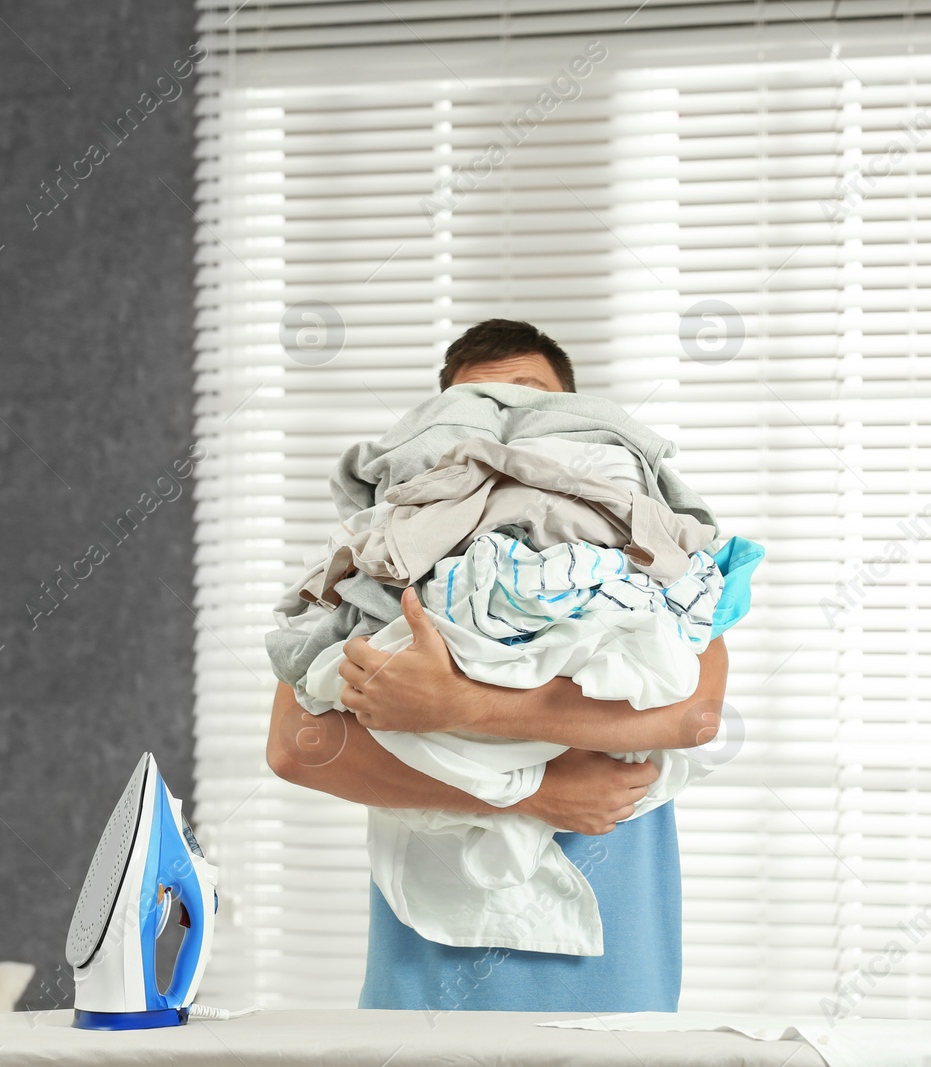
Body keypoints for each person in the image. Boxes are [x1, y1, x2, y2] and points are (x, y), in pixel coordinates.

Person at [265, 319, 728, 1011]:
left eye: (527, 400)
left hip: (617, 949)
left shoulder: (655, 553)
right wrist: (529, 791)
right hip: (430, 969)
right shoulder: (374, 563)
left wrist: (461, 706)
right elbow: (294, 749)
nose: (502, 430)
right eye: (475, 409)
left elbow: (693, 717)